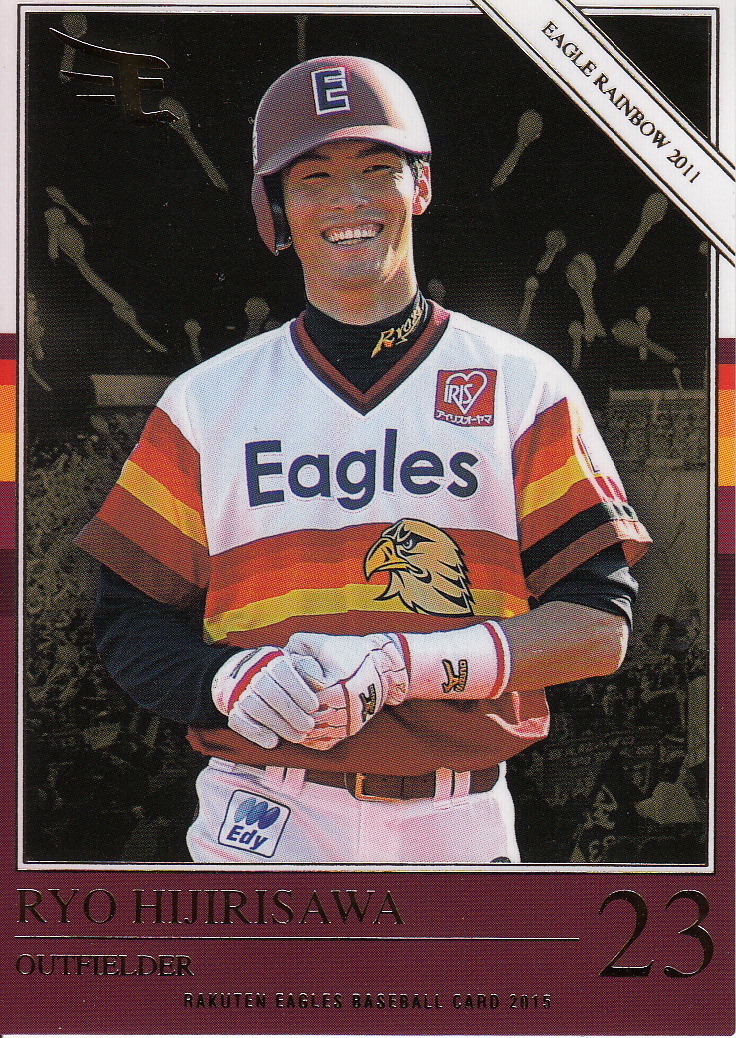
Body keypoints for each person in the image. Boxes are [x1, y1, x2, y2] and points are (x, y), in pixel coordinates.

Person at [75, 55, 651, 864]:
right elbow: (130, 621)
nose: (347, 199)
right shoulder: (205, 402)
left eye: (377, 169)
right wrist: (225, 680)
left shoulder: (524, 385)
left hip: (456, 816)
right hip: (264, 810)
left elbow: (599, 626)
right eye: (313, 178)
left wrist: (404, 664)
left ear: (420, 186)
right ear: (276, 207)